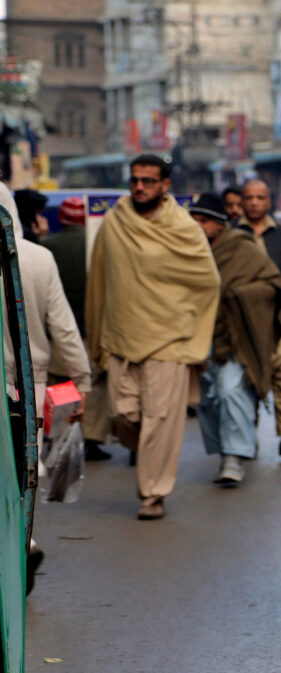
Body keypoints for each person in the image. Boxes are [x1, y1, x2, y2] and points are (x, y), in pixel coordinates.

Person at [85, 154, 220, 520]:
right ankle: (150, 455)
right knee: (121, 415)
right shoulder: (115, 222)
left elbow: (207, 282)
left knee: (161, 419)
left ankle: (153, 495)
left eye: (147, 181)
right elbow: (98, 280)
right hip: (120, 336)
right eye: (134, 181)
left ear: (164, 185)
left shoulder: (184, 228)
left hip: (170, 341)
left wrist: (188, 326)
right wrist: (94, 338)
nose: (139, 187)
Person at [0, 182, 91, 592]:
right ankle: (25, 541)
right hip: (32, 385)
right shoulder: (39, 258)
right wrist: (81, 380)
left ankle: (18, 547)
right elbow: (64, 328)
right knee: (24, 468)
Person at [191, 193, 281, 485]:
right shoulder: (186, 250)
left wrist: (240, 296)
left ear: (219, 224)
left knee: (231, 390)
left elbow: (274, 284)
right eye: (194, 219)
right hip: (197, 337)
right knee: (208, 398)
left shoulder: (242, 249)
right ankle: (227, 450)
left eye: (204, 220)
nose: (197, 226)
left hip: (234, 337)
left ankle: (233, 460)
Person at [233, 179, 281, 459]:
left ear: (269, 201)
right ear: (242, 201)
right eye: (249, 197)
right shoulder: (232, 234)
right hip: (244, 324)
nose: (254, 203)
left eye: (260, 197)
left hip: (279, 323)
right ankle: (246, 438)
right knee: (247, 382)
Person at [42, 196, 111, 461]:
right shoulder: (96, 246)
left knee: (61, 383)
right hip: (93, 329)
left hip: (57, 331)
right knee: (93, 384)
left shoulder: (47, 247)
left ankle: (59, 434)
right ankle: (92, 438)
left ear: (61, 219)